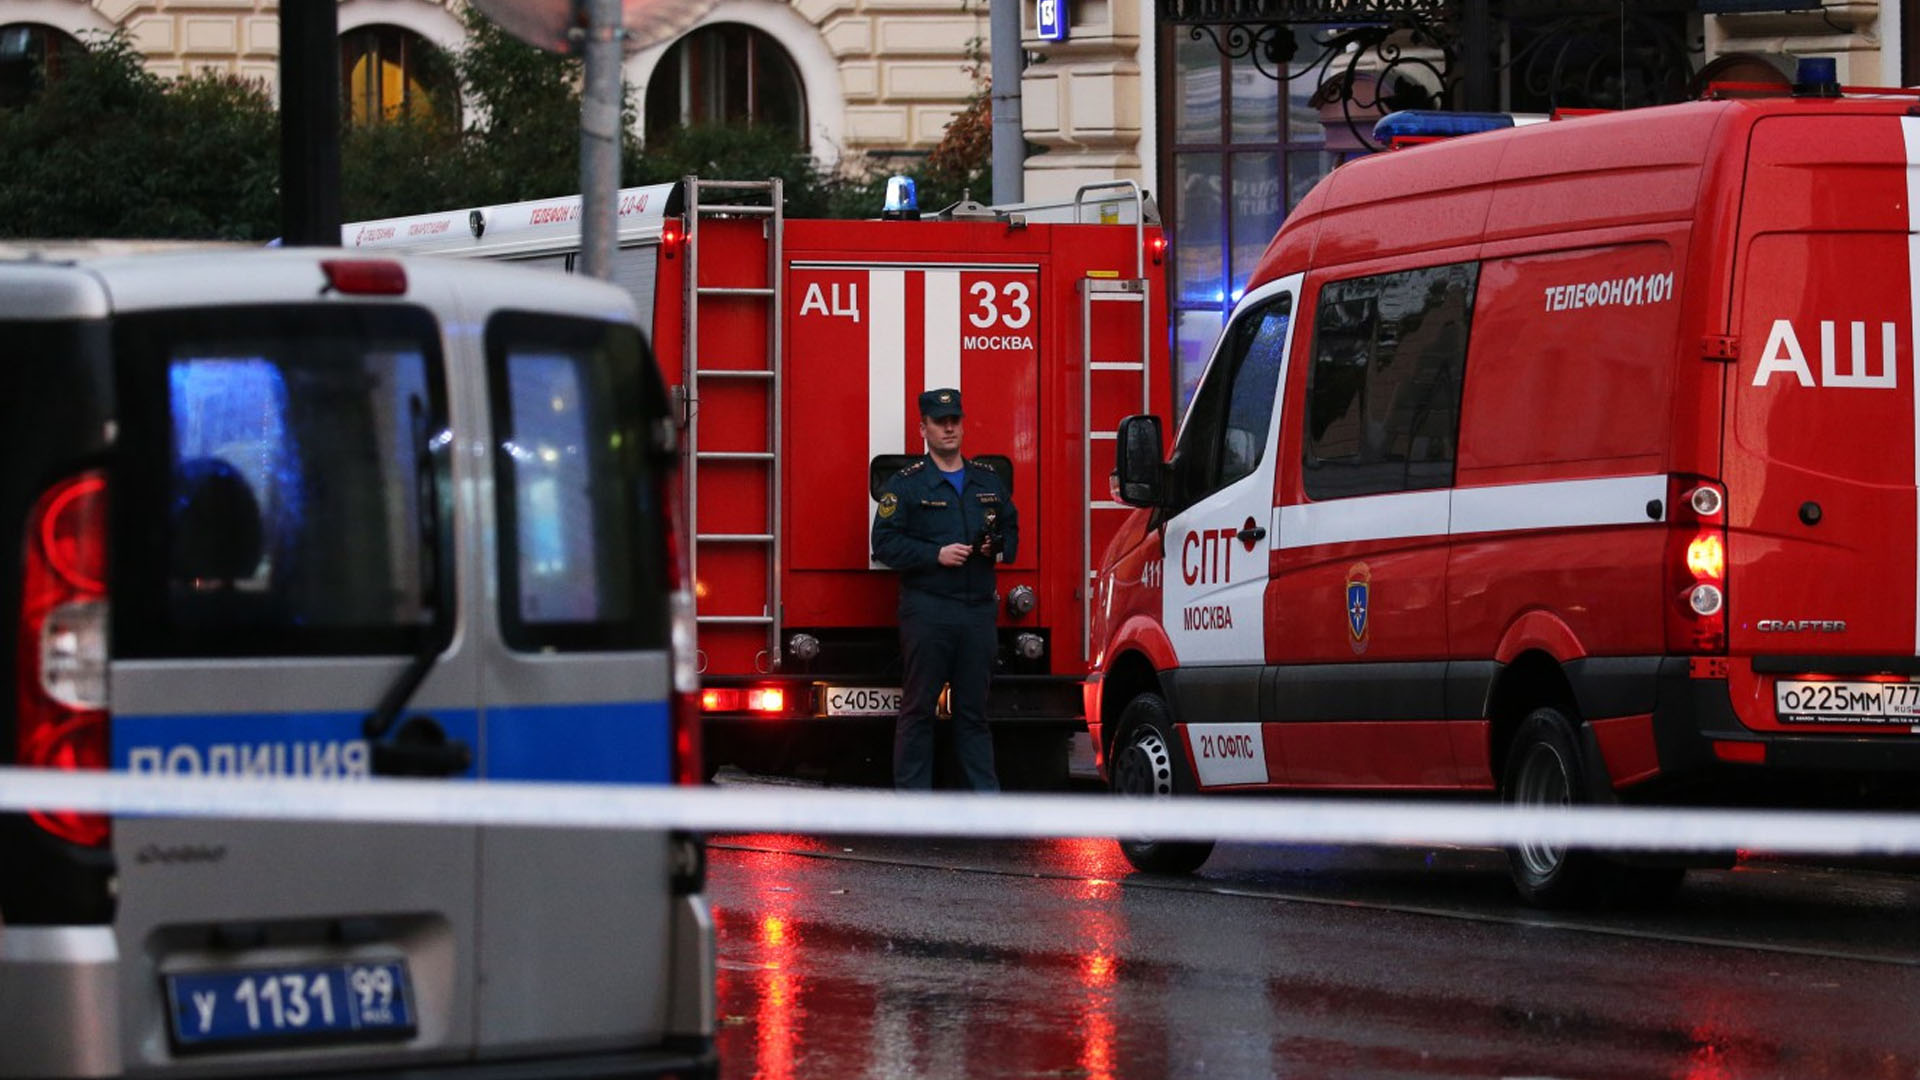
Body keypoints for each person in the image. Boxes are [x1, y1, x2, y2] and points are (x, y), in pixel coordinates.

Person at [870, 388, 1019, 791]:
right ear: (924, 429)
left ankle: (986, 808)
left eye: (955, 420)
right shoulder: (907, 486)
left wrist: (996, 546)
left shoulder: (987, 481)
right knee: (919, 709)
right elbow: (882, 543)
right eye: (940, 421)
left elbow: (1011, 530)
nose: (949, 427)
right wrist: (935, 554)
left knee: (974, 713)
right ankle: (915, 808)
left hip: (977, 612)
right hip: (928, 609)